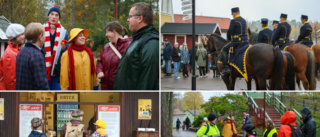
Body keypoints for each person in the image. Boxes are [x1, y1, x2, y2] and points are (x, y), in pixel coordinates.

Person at [113, 2, 159, 90]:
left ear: (139, 18)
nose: (128, 20)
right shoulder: (138, 39)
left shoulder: (151, 43)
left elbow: (147, 82)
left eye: (130, 16)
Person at [96, 21, 132, 90]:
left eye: (107, 32)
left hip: (121, 88)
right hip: (106, 88)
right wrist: (99, 71)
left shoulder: (129, 45)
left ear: (114, 32)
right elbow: (99, 61)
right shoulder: (107, 46)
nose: (106, 35)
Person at [43, 5, 69, 90]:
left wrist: (64, 49)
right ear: (48, 16)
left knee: (56, 96)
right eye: (52, 14)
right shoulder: (41, 29)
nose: (54, 17)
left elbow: (67, 50)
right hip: (44, 69)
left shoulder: (64, 32)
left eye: (56, 15)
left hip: (58, 68)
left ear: (59, 17)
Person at [16, 22, 49, 90]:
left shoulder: (21, 51)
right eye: (44, 35)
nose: (45, 37)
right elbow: (42, 86)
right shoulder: (36, 55)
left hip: (20, 97)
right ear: (40, 37)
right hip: (32, 98)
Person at [221, 7, 249, 76]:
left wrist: (229, 39)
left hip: (237, 41)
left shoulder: (234, 21)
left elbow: (230, 32)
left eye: (232, 14)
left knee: (223, 50)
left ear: (233, 14)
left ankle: (227, 68)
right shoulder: (244, 21)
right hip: (245, 41)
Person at [0, 24, 25, 90]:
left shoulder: (16, 50)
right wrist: (14, 95)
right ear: (15, 36)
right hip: (8, 91)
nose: (24, 36)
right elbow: (10, 79)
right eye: (22, 34)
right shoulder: (10, 54)